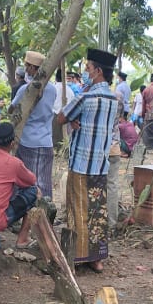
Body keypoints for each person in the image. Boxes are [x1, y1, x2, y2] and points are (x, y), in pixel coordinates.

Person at [56, 47, 121, 272]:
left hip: (81, 164)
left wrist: (73, 121)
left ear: (98, 71)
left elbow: (60, 118)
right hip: (101, 164)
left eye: (88, 68)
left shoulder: (85, 97)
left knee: (77, 209)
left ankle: (77, 255)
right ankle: (97, 258)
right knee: (97, 211)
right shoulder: (114, 99)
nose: (85, 71)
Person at [10, 49, 59, 200]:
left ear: (32, 68)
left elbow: (12, 109)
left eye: (27, 66)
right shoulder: (52, 89)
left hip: (28, 141)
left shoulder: (26, 89)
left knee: (26, 182)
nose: (25, 69)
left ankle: (28, 214)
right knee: (44, 182)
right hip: (45, 141)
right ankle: (45, 213)